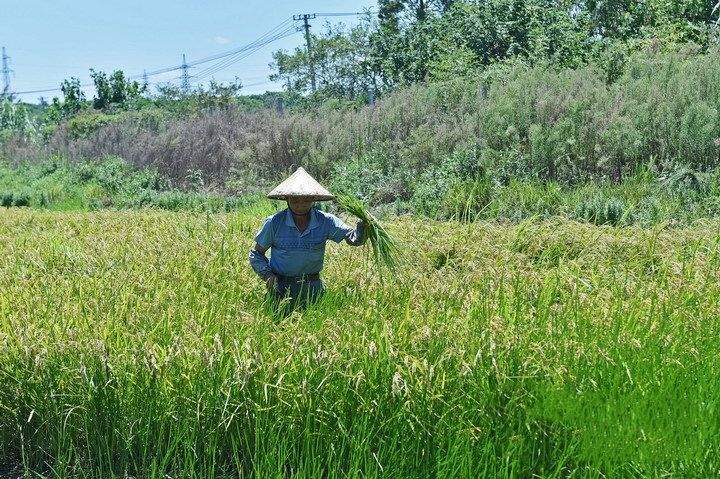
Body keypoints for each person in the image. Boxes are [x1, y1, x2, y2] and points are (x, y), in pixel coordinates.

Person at [248, 167, 367, 311]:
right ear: (287, 199)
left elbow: (351, 237)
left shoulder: (325, 221)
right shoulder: (274, 223)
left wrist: (363, 230)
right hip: (281, 289)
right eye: (295, 200)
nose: (300, 205)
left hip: (313, 289)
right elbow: (256, 253)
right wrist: (267, 275)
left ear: (313, 199)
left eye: (305, 200)